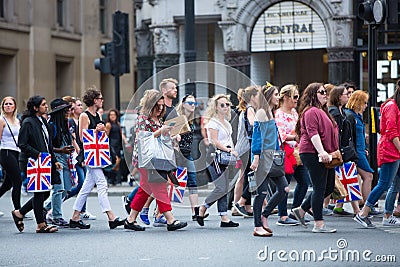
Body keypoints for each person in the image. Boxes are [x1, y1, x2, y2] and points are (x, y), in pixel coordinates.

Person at [124, 89, 187, 231]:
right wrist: (161, 131)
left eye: (162, 106)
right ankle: (170, 219)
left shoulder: (158, 119)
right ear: (150, 105)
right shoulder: (143, 118)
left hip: (156, 158)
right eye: (157, 106)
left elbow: (160, 140)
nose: (160, 109)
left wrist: (172, 136)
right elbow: (143, 138)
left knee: (145, 189)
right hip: (145, 159)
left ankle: (131, 219)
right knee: (159, 185)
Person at [69, 86, 125, 230]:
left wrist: (102, 132)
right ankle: (111, 217)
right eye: (100, 98)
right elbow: (82, 137)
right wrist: (96, 130)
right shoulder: (84, 116)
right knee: (102, 184)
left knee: (86, 187)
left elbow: (100, 137)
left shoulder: (98, 116)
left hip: (97, 155)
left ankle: (75, 217)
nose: (102, 100)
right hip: (89, 155)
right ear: (95, 100)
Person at [293, 83, 338, 233]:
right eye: (321, 92)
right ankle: (318, 224)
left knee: (328, 187)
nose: (325, 94)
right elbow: (313, 133)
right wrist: (321, 152)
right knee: (319, 187)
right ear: (313, 95)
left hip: (325, 152)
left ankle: (301, 210)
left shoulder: (322, 111)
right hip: (312, 152)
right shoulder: (311, 111)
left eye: (325, 92)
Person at [12, 95, 62, 233]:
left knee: (45, 192)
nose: (46, 106)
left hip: (45, 161)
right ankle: (40, 224)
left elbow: (48, 143)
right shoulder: (28, 122)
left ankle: (20, 213)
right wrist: (37, 154)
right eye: (43, 104)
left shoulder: (42, 121)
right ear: (35, 108)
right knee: (40, 192)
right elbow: (22, 144)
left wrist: (54, 160)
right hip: (34, 162)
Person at [354, 80, 400, 228]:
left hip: (393, 151)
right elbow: (391, 132)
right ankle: (363, 213)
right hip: (390, 151)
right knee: (384, 184)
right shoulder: (392, 106)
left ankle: (387, 214)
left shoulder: (392, 105)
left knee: (395, 184)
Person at [249, 85, 288, 237]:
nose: (279, 97)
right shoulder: (261, 113)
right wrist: (256, 158)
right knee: (261, 193)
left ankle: (264, 215)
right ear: (269, 95)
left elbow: (272, 139)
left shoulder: (270, 113)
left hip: (273, 158)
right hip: (263, 158)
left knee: (284, 189)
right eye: (277, 94)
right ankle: (257, 226)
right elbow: (257, 138)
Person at [195, 94, 239, 228]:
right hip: (215, 157)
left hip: (224, 157)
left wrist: (232, 150)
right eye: (222, 105)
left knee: (224, 187)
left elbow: (228, 139)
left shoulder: (226, 122)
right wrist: (229, 150)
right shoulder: (213, 122)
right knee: (221, 187)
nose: (226, 107)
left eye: (227, 104)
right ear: (216, 107)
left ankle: (224, 217)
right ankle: (202, 208)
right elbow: (214, 141)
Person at [275, 84, 310, 226]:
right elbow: (280, 135)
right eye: (295, 96)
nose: (297, 99)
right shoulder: (278, 114)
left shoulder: (295, 113)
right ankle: (282, 215)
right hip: (286, 154)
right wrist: (294, 138)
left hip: (297, 153)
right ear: (285, 97)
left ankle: (295, 211)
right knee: (285, 185)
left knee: (304, 182)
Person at [62, 97, 96, 220]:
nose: (80, 107)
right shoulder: (71, 121)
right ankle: (53, 204)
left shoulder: (79, 120)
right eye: (78, 105)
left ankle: (82, 210)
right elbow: (74, 140)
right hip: (76, 156)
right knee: (81, 184)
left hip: (81, 155)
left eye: (81, 105)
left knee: (84, 184)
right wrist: (80, 154)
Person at [328, 86, 360, 216]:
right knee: (348, 179)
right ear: (339, 97)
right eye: (346, 94)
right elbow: (336, 134)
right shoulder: (336, 113)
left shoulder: (341, 112)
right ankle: (357, 211)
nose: (348, 96)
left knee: (345, 179)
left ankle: (339, 206)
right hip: (341, 151)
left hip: (343, 151)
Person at [43, 98, 75, 227]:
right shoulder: (52, 126)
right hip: (56, 158)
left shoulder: (65, 124)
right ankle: (57, 216)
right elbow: (48, 146)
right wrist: (60, 150)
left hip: (65, 158)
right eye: (65, 110)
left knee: (67, 188)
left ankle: (45, 208)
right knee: (58, 188)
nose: (68, 112)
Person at [345, 91, 376, 214]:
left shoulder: (357, 116)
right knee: (368, 176)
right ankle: (367, 205)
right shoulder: (351, 115)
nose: (366, 106)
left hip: (360, 150)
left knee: (365, 177)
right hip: (357, 152)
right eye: (364, 103)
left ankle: (364, 205)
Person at [233, 86, 258, 217]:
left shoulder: (249, 109)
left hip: (245, 148)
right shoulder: (249, 109)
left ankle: (246, 206)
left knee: (247, 177)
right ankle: (237, 204)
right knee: (244, 177)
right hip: (246, 148)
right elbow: (253, 123)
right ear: (252, 97)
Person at [176, 94, 200, 219]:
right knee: (168, 184)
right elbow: (171, 134)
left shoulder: (191, 120)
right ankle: (133, 200)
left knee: (192, 181)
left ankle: (195, 212)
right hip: (176, 156)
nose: (193, 106)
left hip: (187, 154)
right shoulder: (179, 118)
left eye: (194, 103)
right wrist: (176, 136)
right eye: (190, 103)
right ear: (183, 104)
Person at [0, 97, 22, 213]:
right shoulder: (1, 120)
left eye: (10, 104)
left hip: (16, 152)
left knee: (7, 184)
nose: (8, 106)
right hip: (6, 152)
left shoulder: (17, 121)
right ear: (3, 106)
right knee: (17, 180)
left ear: (14, 106)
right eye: (6, 104)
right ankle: (18, 211)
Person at [105, 109, 126, 185]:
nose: (112, 116)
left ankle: (114, 179)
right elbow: (106, 136)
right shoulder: (108, 124)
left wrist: (124, 141)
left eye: (114, 115)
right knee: (115, 161)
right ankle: (111, 179)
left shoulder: (118, 123)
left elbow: (121, 134)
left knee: (118, 161)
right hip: (112, 145)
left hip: (118, 144)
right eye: (111, 115)